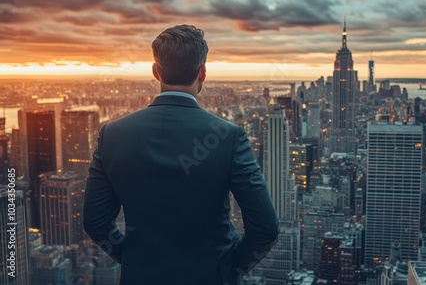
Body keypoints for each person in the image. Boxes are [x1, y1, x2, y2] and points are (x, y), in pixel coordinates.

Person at [83, 24, 280, 285]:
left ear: (156, 72)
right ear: (202, 72)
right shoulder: (229, 137)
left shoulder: (112, 135)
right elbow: (266, 228)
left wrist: (133, 258)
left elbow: (95, 221)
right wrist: (229, 268)